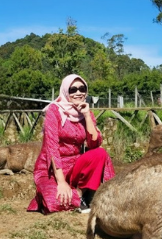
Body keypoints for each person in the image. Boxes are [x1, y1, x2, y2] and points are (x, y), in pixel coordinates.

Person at [27, 74, 115, 214]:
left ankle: (80, 194)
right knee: (54, 202)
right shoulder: (54, 111)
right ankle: (88, 196)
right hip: (51, 169)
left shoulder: (87, 113)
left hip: (75, 165)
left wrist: (86, 116)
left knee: (100, 153)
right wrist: (61, 183)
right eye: (73, 89)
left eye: (82, 88)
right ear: (66, 91)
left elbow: (94, 144)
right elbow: (52, 148)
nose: (78, 92)